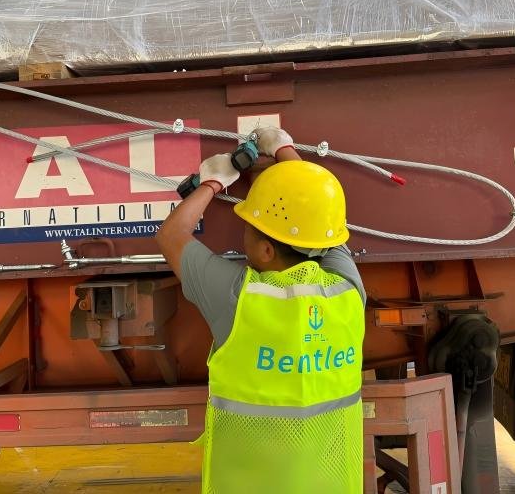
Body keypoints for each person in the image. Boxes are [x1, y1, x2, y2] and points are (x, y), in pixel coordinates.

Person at [156, 126, 366, 494]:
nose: (244, 231)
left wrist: (212, 183)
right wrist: (284, 149)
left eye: (249, 227)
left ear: (267, 251)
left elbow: (172, 235)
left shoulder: (239, 298)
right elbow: (319, 225)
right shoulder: (347, 291)